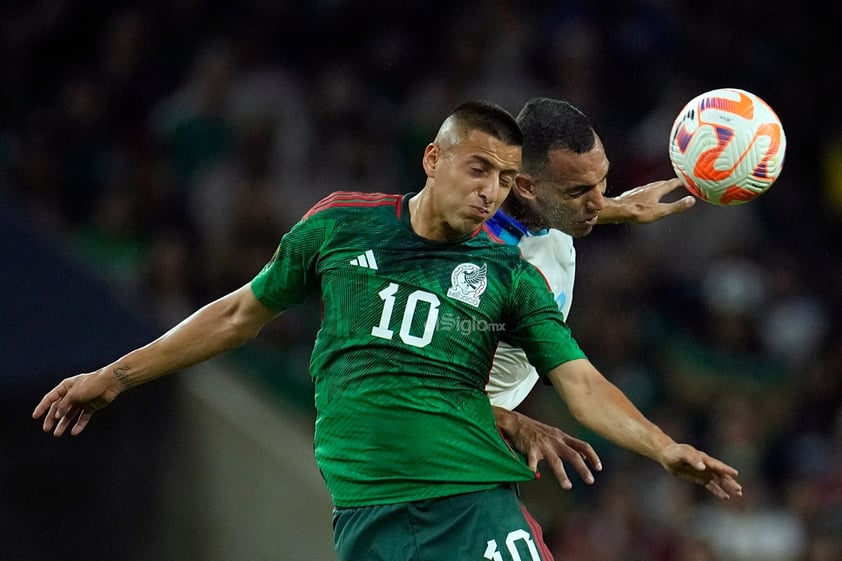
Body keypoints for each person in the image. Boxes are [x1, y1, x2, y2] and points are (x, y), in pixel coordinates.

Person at [34, 100, 740, 561]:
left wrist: (662, 445)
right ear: (434, 160)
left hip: (468, 498)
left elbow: (582, 383)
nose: (490, 187)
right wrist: (114, 374)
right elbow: (238, 313)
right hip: (373, 509)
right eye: (480, 171)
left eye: (601, 185)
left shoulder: (514, 268)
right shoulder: (346, 228)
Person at [488, 97, 697, 489]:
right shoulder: (485, 272)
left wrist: (622, 208)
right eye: (579, 190)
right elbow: (416, 387)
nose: (598, 201)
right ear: (526, 186)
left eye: (603, 181)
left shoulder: (547, 208)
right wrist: (509, 421)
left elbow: (550, 213)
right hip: (436, 447)